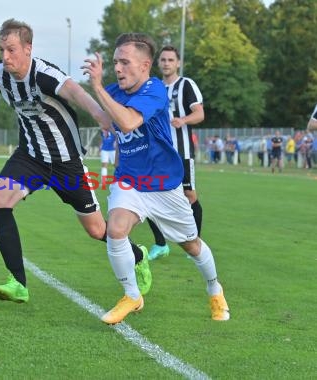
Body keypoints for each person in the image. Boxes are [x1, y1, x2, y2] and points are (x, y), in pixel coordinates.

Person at [0, 18, 151, 303]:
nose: (5, 57)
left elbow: (75, 91)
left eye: (11, 50)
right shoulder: (1, 73)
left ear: (28, 48)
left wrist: (100, 116)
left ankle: (137, 255)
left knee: (98, 230)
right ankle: (18, 282)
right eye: (2, 50)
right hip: (30, 156)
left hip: (66, 162)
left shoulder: (44, 75)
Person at [82, 32, 229, 324]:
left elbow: (127, 121)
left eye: (125, 62)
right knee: (116, 229)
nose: (118, 68)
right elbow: (102, 114)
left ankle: (215, 289)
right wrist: (62, 87)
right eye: (115, 62)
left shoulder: (155, 90)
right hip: (130, 181)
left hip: (164, 186)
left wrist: (97, 87)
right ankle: (132, 295)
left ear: (145, 65)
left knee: (192, 244)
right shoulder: (113, 90)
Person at [146, 45, 205, 261]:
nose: (166, 63)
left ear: (178, 63)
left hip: (182, 152)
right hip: (158, 153)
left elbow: (199, 114)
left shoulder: (186, 85)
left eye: (171, 60)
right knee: (149, 194)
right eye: (163, 60)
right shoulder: (154, 87)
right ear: (158, 63)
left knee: (189, 196)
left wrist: (183, 120)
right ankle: (161, 244)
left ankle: (195, 242)